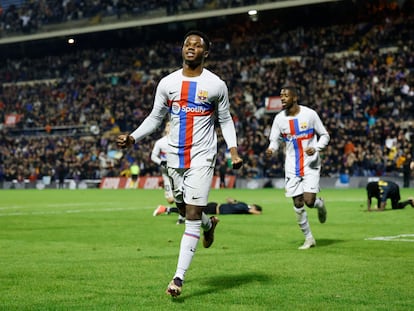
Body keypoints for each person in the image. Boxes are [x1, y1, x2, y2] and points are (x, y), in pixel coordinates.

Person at [116, 30, 243, 297]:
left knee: (192, 217)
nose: (191, 48)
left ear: (205, 53)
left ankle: (178, 278)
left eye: (197, 45)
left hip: (202, 155)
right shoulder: (168, 83)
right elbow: (155, 117)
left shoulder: (216, 85)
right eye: (187, 44)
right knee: (184, 209)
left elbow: (226, 120)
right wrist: (133, 137)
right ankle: (210, 225)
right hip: (174, 157)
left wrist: (233, 150)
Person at [265, 86, 330, 250]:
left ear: (295, 97)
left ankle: (319, 204)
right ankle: (309, 238)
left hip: (311, 163)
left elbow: (325, 135)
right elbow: (274, 139)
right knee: (298, 203)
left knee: (309, 201)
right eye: (281, 96)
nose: (283, 98)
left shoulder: (310, 114)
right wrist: (272, 149)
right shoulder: (279, 119)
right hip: (292, 165)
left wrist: (316, 148)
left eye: (286, 95)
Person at [151, 121, 185, 224]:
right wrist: (161, 162)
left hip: (179, 172)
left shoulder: (179, 141)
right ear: (165, 128)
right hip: (166, 174)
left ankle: (181, 217)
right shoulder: (160, 142)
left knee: (181, 194)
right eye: (168, 125)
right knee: (170, 200)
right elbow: (153, 156)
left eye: (172, 125)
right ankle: (168, 209)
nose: (170, 127)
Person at [153, 197, 263, 216]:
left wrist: (231, 201)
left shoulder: (243, 205)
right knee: (191, 211)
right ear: (254, 207)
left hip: (215, 207)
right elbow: (255, 212)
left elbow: (231, 201)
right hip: (214, 208)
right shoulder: (245, 207)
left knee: (191, 210)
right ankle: (165, 209)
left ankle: (167, 210)